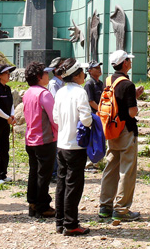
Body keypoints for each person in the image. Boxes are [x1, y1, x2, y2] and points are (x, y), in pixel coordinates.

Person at [99, 50, 144, 222]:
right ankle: (122, 209)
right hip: (126, 130)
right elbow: (131, 112)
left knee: (111, 166)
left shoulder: (109, 80)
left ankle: (105, 206)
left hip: (111, 128)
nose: (130, 63)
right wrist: (135, 102)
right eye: (129, 60)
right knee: (127, 170)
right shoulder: (127, 84)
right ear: (124, 63)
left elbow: (116, 102)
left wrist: (134, 97)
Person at [53, 59, 92, 236]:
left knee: (61, 183)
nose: (85, 75)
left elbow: (55, 118)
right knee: (74, 185)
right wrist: (92, 123)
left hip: (61, 144)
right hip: (76, 146)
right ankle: (71, 224)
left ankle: (60, 221)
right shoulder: (80, 92)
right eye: (83, 72)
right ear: (77, 75)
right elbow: (86, 119)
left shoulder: (60, 92)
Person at [23, 62, 59, 218]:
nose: (48, 75)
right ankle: (43, 206)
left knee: (34, 172)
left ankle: (32, 203)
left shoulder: (27, 92)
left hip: (30, 138)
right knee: (44, 174)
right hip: (45, 140)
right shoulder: (44, 94)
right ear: (39, 76)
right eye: (45, 73)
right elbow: (54, 118)